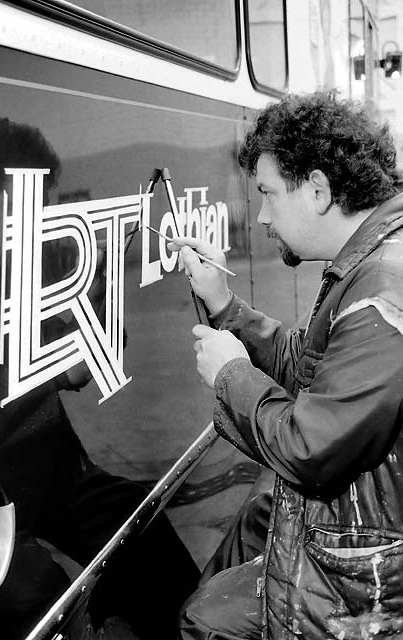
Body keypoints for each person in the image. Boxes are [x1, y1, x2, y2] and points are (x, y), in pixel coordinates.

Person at [170, 92, 403, 640]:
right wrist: (227, 306)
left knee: (207, 620)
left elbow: (308, 448)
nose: (263, 217)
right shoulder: (371, 263)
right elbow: (310, 365)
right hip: (358, 544)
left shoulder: (383, 293)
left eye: (270, 195)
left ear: (319, 190)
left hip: (367, 590)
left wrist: (231, 376)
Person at [0, 117, 200, 640]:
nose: (42, 220)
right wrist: (51, 373)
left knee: (142, 526)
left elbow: (80, 358)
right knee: (46, 600)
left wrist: (101, 302)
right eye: (30, 206)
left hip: (56, 481)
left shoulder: (7, 273)